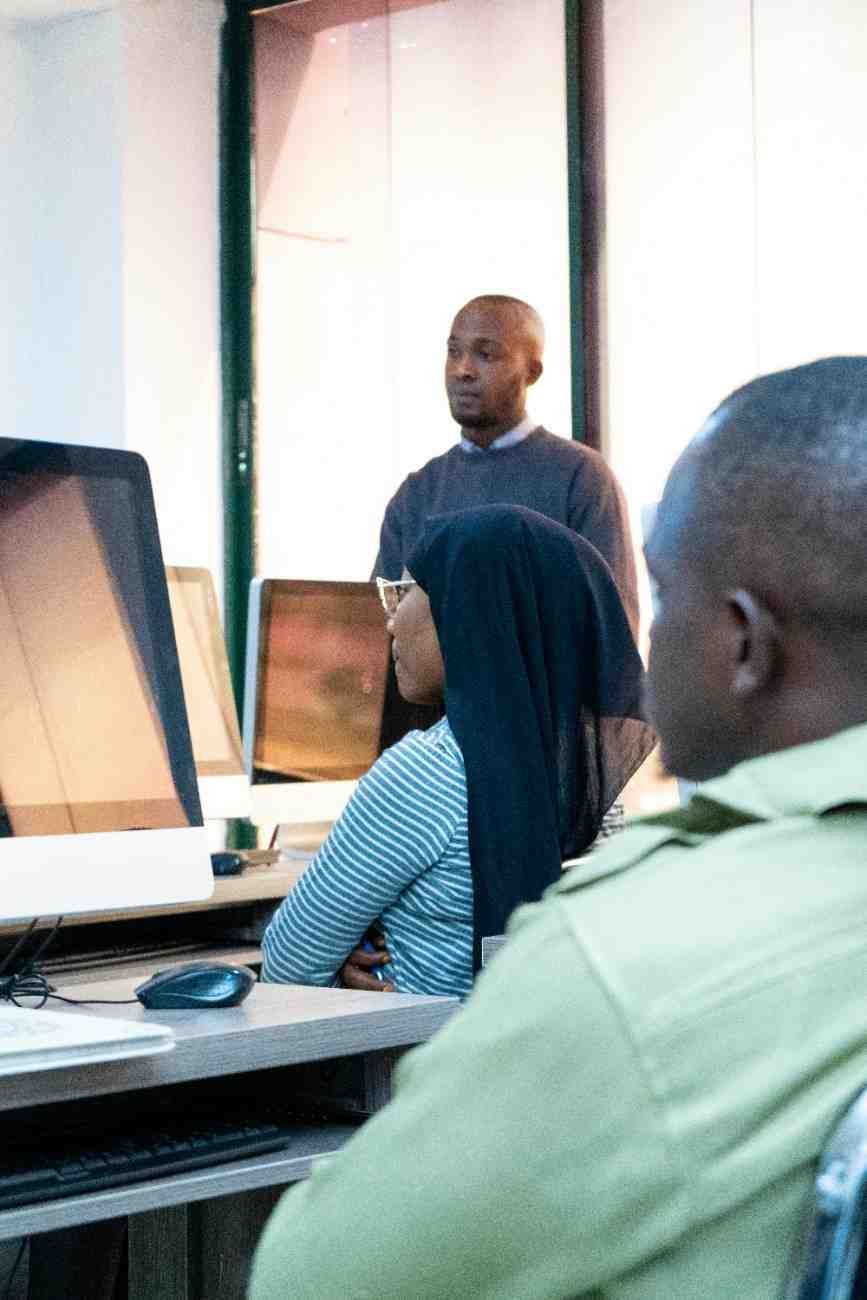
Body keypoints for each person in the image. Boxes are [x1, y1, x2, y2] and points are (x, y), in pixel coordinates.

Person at [249, 356, 867, 1300]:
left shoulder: (617, 962)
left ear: (744, 645)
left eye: (662, 597)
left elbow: (310, 1280)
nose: (636, 640)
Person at [261, 504, 653, 998]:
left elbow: (287, 966)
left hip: (415, 1066)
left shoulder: (424, 774)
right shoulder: (593, 783)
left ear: (465, 612)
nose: (390, 624)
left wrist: (338, 959)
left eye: (401, 595)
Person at [374, 295, 639, 634]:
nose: (462, 370)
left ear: (533, 371)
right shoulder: (416, 493)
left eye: (486, 354)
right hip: (434, 692)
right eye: (454, 351)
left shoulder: (582, 479)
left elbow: (613, 637)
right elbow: (380, 634)